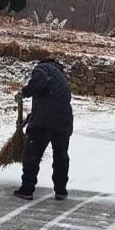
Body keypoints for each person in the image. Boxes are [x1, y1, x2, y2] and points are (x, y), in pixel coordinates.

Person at [14, 58, 73, 201]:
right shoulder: (61, 79)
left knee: (32, 155)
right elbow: (49, 104)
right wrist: (26, 121)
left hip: (44, 123)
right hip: (63, 123)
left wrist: (24, 92)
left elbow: (38, 83)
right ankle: (61, 191)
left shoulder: (44, 68)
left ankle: (27, 189)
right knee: (60, 157)